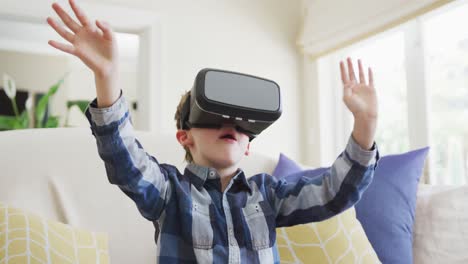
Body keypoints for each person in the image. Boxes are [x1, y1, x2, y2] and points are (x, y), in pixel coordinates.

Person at [47, 0, 380, 262]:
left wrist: (365, 124)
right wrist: (108, 77)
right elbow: (125, 160)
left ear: (248, 145)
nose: (230, 125)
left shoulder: (268, 195)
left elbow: (332, 192)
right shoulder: (169, 194)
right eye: (215, 117)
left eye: (240, 124)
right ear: (185, 136)